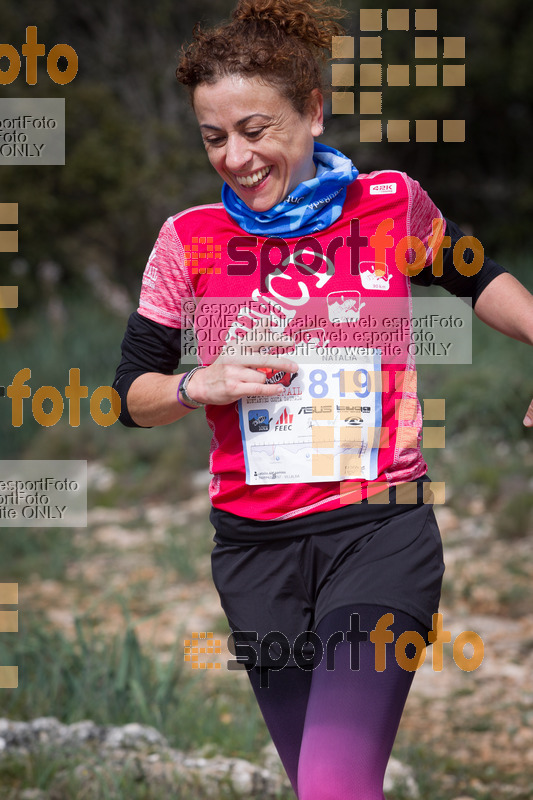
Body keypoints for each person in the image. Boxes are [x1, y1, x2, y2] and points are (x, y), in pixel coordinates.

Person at [113, 1, 533, 797]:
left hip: (379, 535)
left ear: (312, 110)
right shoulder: (187, 239)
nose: (234, 157)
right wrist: (191, 384)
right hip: (253, 555)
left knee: (336, 784)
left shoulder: (387, 204)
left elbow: (474, 276)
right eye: (213, 137)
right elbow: (128, 397)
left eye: (254, 129)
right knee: (320, 783)